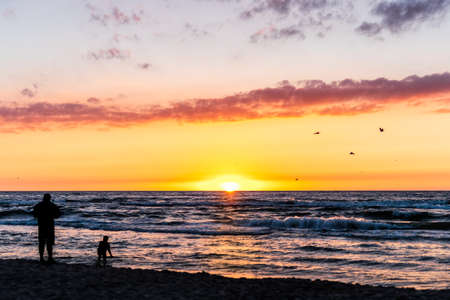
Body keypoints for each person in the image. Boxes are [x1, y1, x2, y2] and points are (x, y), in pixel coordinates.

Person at [32, 193, 61, 264]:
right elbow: (58, 215)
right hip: (50, 226)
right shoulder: (53, 205)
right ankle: (50, 258)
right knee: (49, 243)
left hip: (41, 226)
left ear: (43, 198)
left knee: (41, 242)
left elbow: (34, 215)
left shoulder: (38, 205)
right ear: (49, 198)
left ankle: (41, 258)